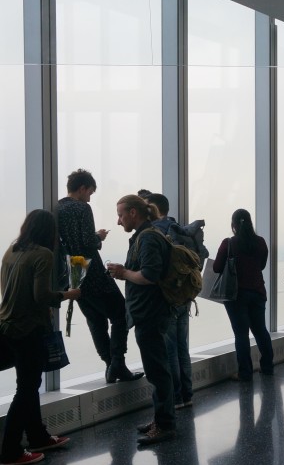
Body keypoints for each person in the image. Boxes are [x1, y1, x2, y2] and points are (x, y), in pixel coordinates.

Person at [0, 210, 81, 465]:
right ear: (49, 232)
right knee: (26, 388)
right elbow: (41, 297)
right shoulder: (43, 254)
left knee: (29, 383)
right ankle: (10, 451)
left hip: (6, 325)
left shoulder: (12, 250)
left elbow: (6, 288)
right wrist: (69, 294)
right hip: (28, 329)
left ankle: (38, 436)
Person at [56, 169, 143, 383]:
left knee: (95, 320)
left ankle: (109, 365)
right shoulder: (82, 208)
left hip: (73, 273)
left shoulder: (56, 208)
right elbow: (87, 242)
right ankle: (117, 363)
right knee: (121, 313)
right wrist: (99, 237)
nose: (89, 198)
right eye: (90, 193)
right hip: (92, 270)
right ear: (83, 188)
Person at [107, 195, 176, 445]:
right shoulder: (146, 235)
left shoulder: (147, 237)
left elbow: (149, 275)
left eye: (121, 215)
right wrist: (124, 272)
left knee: (157, 371)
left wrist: (123, 273)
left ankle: (165, 424)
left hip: (150, 313)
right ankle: (161, 419)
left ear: (134, 213)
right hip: (149, 312)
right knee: (157, 369)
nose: (118, 221)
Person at [214, 209, 274, 382]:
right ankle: (268, 367)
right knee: (261, 330)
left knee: (241, 334)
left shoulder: (229, 243)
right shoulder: (260, 242)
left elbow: (217, 268)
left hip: (236, 295)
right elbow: (261, 266)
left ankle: (245, 373)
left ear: (233, 224)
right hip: (258, 291)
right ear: (250, 223)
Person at [145, 193, 192, 409]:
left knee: (170, 349)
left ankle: (177, 397)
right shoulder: (179, 228)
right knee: (182, 348)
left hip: (169, 298)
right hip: (185, 296)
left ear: (154, 208)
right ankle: (188, 394)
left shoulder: (156, 232)